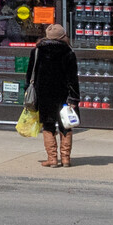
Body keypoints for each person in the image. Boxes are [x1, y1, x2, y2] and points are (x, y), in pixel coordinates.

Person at [28, 22, 80, 167]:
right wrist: (74, 98)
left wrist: (29, 92)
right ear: (63, 36)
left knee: (48, 125)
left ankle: (52, 159)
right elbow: (73, 79)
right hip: (64, 95)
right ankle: (65, 159)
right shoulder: (69, 52)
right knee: (66, 125)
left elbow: (30, 75)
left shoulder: (37, 51)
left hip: (44, 95)